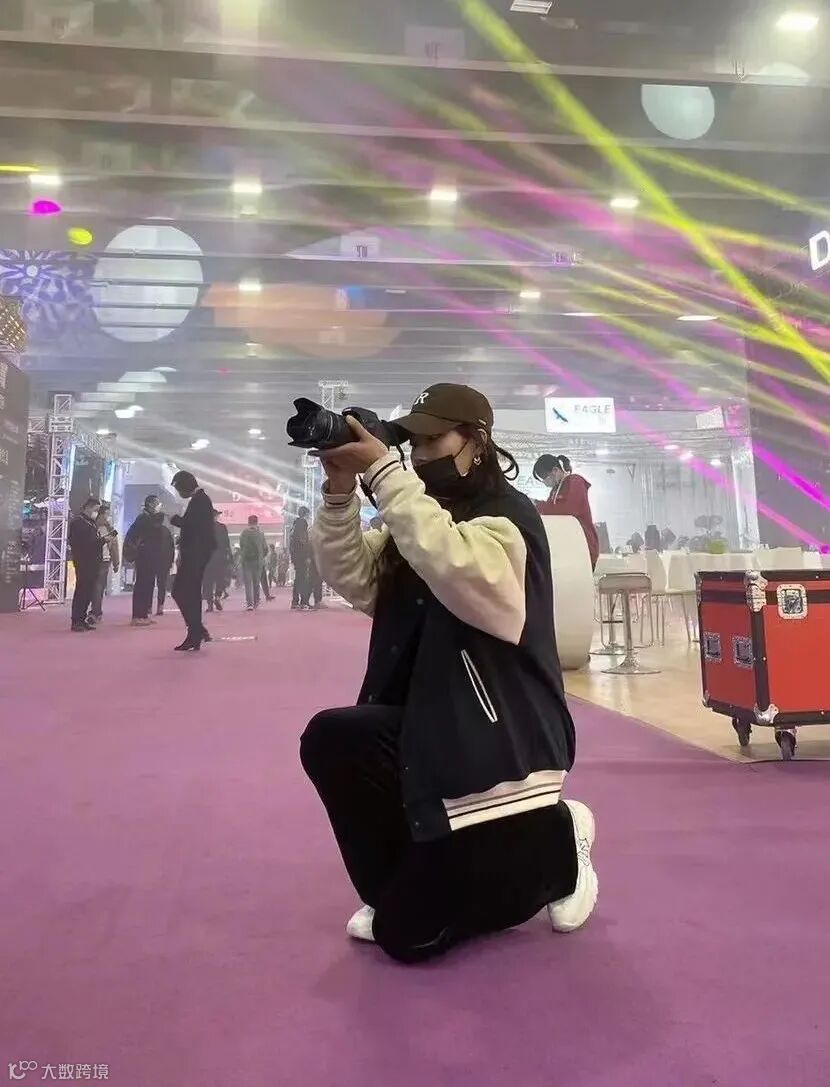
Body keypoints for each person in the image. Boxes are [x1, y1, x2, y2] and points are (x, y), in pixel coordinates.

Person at [300, 383, 595, 964]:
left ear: (476, 442)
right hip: (426, 720)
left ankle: (562, 842)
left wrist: (385, 473)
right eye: (411, 442)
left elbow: (459, 570)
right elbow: (356, 577)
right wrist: (339, 493)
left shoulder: (509, 516)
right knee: (332, 737)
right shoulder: (421, 517)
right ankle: (395, 887)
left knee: (407, 940)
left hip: (496, 737)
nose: (420, 453)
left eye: (433, 440)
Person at [169, 471, 216, 650]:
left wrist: (175, 520)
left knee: (183, 592)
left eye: (179, 489)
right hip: (195, 554)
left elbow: (193, 526)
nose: (179, 493)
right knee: (188, 593)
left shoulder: (200, 501)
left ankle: (196, 631)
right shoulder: (200, 500)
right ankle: (197, 630)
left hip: (196, 555)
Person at [533, 454, 599, 570]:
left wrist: (538, 505)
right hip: (569, 547)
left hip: (583, 546)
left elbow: (567, 510)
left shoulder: (575, 482)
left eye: (545, 477)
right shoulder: (555, 490)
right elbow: (551, 510)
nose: (545, 482)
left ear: (555, 470)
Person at [124, 495, 175, 626]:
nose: (159, 506)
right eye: (157, 503)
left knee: (148, 586)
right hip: (143, 557)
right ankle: (137, 616)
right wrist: (161, 516)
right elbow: (150, 529)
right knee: (141, 586)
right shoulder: (143, 518)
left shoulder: (150, 519)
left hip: (151, 558)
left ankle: (143, 615)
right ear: (151, 505)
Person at [68, 497, 103, 632]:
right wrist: (101, 541)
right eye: (95, 509)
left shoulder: (91, 523)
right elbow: (84, 543)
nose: (96, 513)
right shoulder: (78, 522)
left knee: (88, 591)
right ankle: (76, 620)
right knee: (82, 591)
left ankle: (82, 619)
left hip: (93, 561)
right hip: (83, 561)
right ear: (88, 507)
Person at [88, 500, 120, 625]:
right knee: (94, 587)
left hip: (102, 560)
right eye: (107, 514)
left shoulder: (108, 529)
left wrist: (116, 562)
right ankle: (94, 612)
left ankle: (95, 612)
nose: (108, 517)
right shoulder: (93, 527)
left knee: (97, 587)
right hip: (94, 560)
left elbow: (114, 547)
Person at [203, 509, 232, 613]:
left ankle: (210, 605)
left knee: (208, 582)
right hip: (220, 558)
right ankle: (218, 597)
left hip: (207, 559)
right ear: (215, 517)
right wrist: (230, 556)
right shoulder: (222, 527)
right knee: (220, 579)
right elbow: (227, 543)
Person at [238, 514, 269, 611]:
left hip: (247, 561)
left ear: (248, 522)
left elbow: (241, 546)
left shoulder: (244, 533)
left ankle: (249, 604)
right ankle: (256, 601)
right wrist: (261, 556)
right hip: (258, 561)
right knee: (256, 582)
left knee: (248, 583)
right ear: (257, 522)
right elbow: (265, 548)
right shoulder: (260, 534)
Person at [290, 506, 312, 610]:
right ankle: (304, 602)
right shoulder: (302, 524)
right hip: (301, 556)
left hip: (296, 556)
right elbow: (303, 541)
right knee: (303, 579)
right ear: (305, 514)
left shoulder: (295, 524)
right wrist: (307, 555)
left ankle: (295, 601)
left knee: (298, 579)